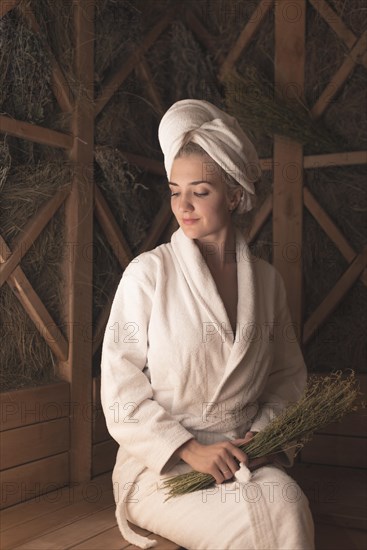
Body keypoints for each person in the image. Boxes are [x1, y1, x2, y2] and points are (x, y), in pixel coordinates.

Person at [100, 99, 315, 549]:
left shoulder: (267, 283)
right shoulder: (148, 274)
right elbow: (119, 388)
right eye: (175, 191)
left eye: (200, 191)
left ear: (234, 195)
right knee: (248, 529)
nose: (184, 205)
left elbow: (287, 377)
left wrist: (265, 437)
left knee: (288, 507)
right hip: (162, 464)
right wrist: (187, 449)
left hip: (242, 457)